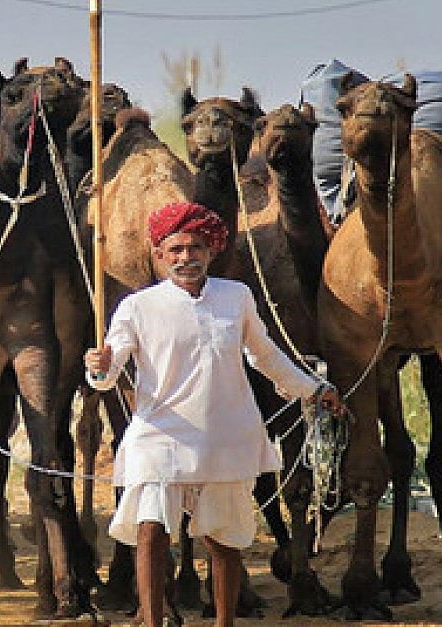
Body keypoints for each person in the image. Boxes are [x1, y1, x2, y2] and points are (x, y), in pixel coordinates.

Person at [84, 202, 345, 627]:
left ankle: (224, 620)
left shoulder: (235, 296)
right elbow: (108, 374)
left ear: (210, 252)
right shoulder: (137, 307)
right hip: (160, 434)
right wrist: (98, 366)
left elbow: (264, 356)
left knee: (222, 540)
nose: (186, 257)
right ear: (160, 255)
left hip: (226, 433)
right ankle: (153, 620)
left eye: (196, 248)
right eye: (176, 250)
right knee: (151, 529)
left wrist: (314, 389)